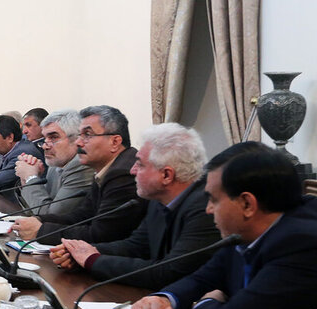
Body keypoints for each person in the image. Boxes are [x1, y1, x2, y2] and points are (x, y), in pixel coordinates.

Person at [130, 143, 317, 309]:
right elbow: (204, 277)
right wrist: (167, 299)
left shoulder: (303, 244)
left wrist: (202, 303)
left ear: (247, 204)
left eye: (213, 199)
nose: (208, 210)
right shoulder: (245, 231)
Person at [49, 123, 221, 289]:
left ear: (166, 175)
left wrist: (92, 260)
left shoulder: (206, 209)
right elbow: (136, 246)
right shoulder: (159, 199)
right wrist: (80, 252)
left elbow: (168, 272)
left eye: (140, 164)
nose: (132, 170)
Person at [13, 105, 147, 245]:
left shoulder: (123, 174)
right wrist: (39, 220)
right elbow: (81, 216)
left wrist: (41, 231)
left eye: (87, 135)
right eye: (80, 135)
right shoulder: (105, 169)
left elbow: (102, 234)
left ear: (114, 142)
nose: (78, 142)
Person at [16, 109, 94, 217]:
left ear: (77, 139)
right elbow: (33, 212)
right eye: (45, 139)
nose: (45, 146)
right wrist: (25, 180)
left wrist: (31, 178)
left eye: (53, 138)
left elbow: (51, 216)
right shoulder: (54, 165)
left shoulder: (81, 166)